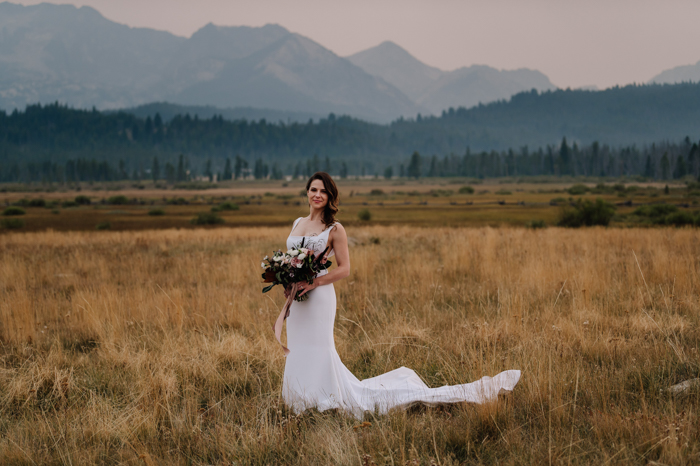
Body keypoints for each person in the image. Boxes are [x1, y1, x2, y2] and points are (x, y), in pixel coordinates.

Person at [281, 172, 520, 418]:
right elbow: (290, 260)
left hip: (319, 297)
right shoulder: (297, 222)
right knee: (298, 345)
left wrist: (314, 282)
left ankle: (324, 399)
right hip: (297, 300)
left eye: (323, 191)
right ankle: (298, 398)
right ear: (307, 192)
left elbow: (345, 269)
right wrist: (287, 281)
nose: (318, 195)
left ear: (330, 196)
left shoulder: (334, 228)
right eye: (313, 190)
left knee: (320, 346)